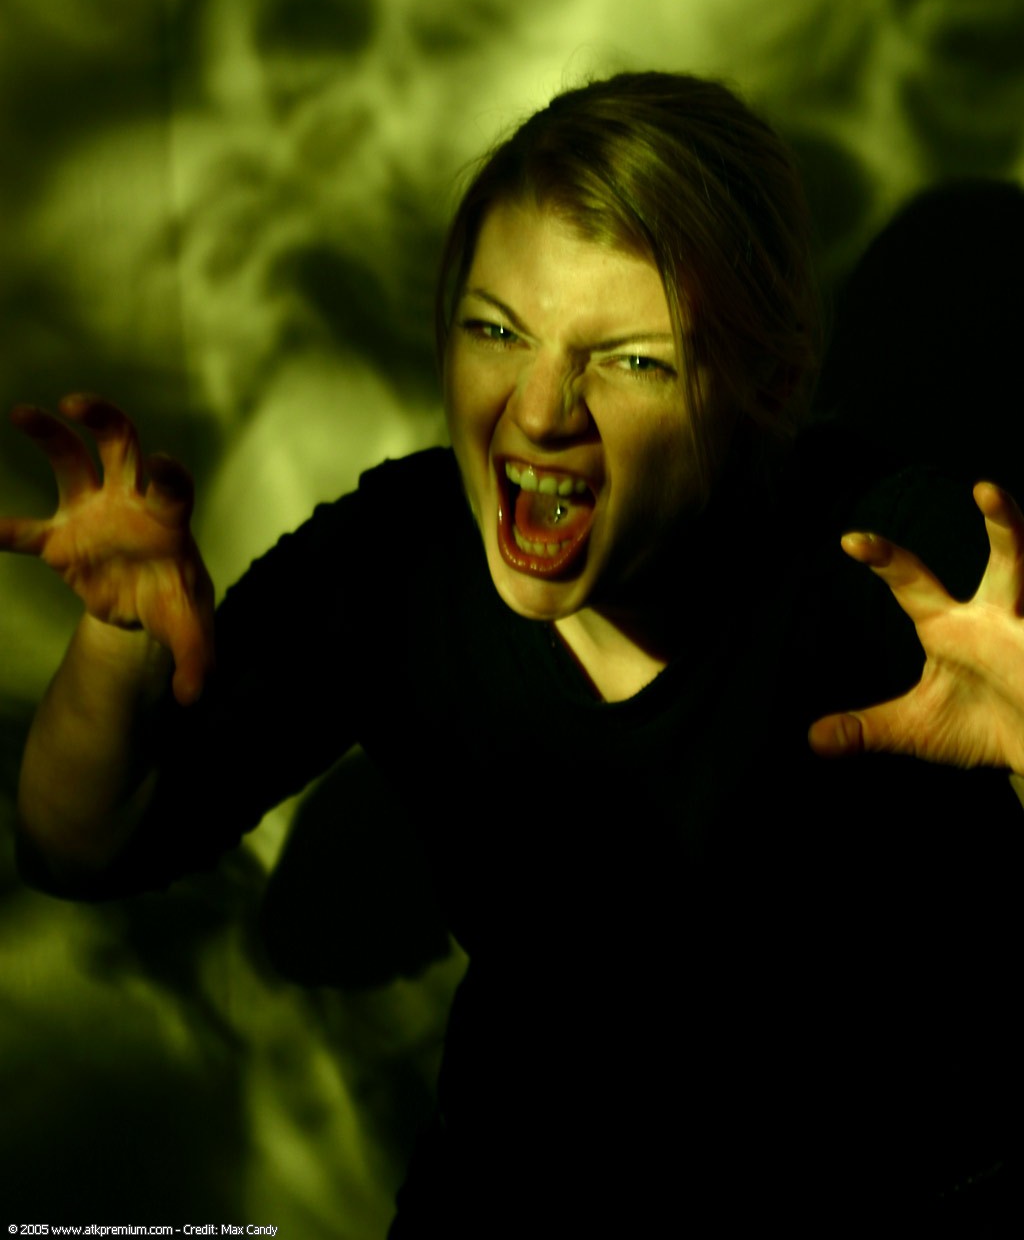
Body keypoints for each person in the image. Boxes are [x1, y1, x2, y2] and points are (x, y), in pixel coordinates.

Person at [5, 71, 1024, 1230]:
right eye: (496, 330)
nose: (538, 411)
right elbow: (81, 843)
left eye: (631, 359)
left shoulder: (908, 563)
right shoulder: (403, 553)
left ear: (769, 385)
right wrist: (119, 637)